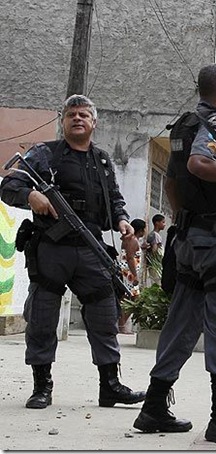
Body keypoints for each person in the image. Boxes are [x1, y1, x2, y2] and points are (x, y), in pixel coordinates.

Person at [132, 63, 216, 443]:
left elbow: (175, 182)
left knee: (181, 323)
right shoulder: (215, 124)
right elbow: (198, 162)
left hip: (190, 239)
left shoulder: (184, 124)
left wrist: (184, 223)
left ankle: (154, 406)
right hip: (215, 243)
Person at [0, 94, 146, 409]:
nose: (77, 118)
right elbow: (8, 187)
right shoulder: (44, 155)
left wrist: (121, 220)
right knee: (42, 317)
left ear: (94, 122)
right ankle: (42, 387)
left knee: (105, 315)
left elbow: (114, 199)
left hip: (90, 248)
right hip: (52, 248)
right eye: (71, 114)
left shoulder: (103, 160)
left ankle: (110, 386)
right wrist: (30, 196)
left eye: (83, 114)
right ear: (63, 121)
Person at [118, 218, 147, 334]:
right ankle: (121, 325)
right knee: (131, 299)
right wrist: (135, 275)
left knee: (131, 299)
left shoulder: (132, 240)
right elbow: (130, 258)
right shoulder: (132, 240)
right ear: (140, 230)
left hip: (128, 272)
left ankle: (122, 324)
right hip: (129, 273)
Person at [145, 213, 165, 285]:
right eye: (163, 222)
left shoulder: (153, 234)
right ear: (157, 223)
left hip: (155, 263)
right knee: (157, 283)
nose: (164, 224)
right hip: (155, 263)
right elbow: (154, 249)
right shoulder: (155, 235)